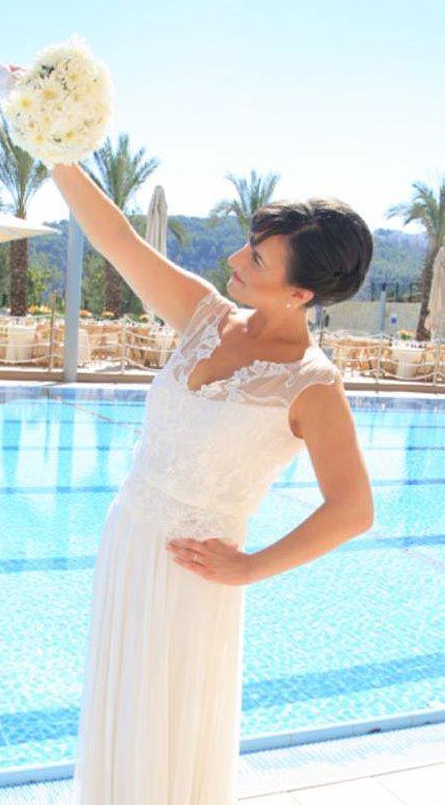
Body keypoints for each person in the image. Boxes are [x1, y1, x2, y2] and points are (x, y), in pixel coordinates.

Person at [51, 162, 374, 805]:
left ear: (299, 293)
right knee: (122, 717)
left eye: (256, 258)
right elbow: (117, 239)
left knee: (165, 733)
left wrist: (251, 567)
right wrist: (57, 148)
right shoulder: (204, 316)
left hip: (194, 577)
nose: (235, 259)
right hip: (129, 540)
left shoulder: (312, 385)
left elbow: (354, 509)